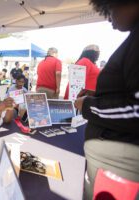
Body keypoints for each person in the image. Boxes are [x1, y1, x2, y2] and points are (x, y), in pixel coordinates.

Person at [74, 1, 139, 199]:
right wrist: (98, 95)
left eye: (110, 10)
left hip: (118, 161)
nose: (109, 18)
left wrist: (88, 105)